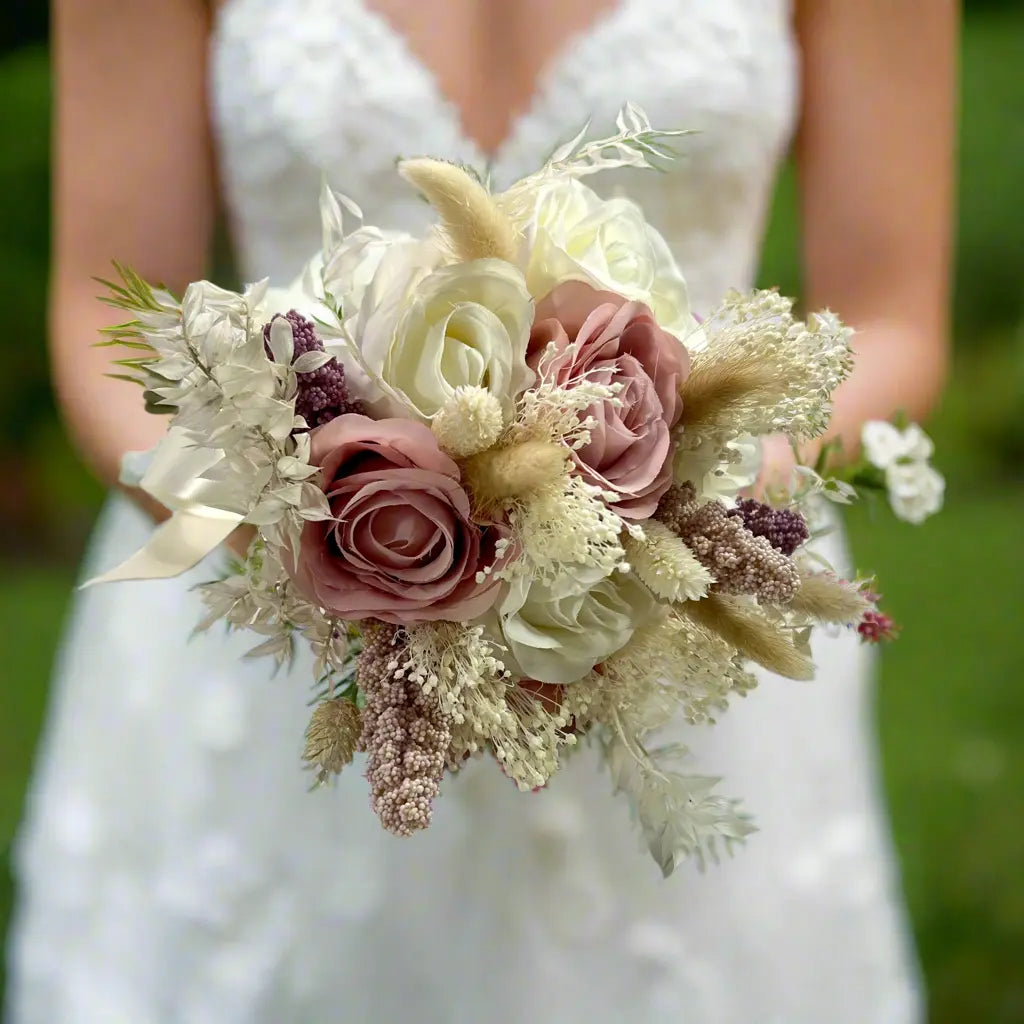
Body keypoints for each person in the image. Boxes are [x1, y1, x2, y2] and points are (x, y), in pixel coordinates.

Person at [7, 0, 956, 1020]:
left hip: (687, 634)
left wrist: (659, 512)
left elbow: (890, 318)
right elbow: (111, 316)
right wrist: (318, 524)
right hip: (268, 643)